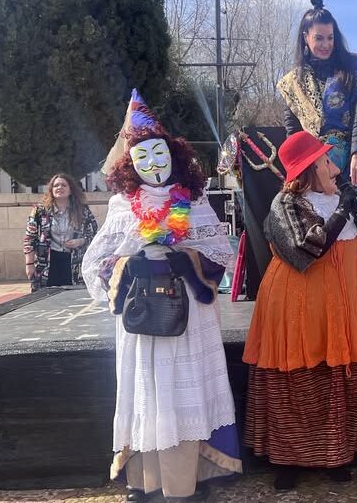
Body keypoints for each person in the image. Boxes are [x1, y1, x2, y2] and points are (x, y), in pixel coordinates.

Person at [82, 90, 241, 503]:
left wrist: (184, 259)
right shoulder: (121, 206)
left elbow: (220, 254)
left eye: (160, 153)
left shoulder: (196, 201)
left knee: (182, 399)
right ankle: (147, 481)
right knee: (148, 396)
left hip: (188, 318)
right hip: (142, 322)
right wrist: (129, 265)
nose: (154, 163)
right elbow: (96, 262)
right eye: (143, 157)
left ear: (173, 153)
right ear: (130, 163)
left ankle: (184, 484)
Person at [242, 131, 357, 490]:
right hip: (295, 306)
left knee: (336, 378)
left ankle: (335, 456)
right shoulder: (285, 204)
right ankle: (288, 460)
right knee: (294, 378)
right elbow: (310, 246)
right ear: (309, 170)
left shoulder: (341, 199)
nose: (334, 168)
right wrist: (345, 208)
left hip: (342, 305)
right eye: (326, 162)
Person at [278, 0, 357, 193]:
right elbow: (293, 131)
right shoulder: (293, 83)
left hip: (350, 163)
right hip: (314, 166)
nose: (326, 44)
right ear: (306, 37)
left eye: (330, 38)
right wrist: (302, 168)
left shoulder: (351, 70)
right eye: (319, 38)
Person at [23, 173, 98, 291]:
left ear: (70, 190)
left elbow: (94, 235)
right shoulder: (40, 211)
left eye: (64, 185)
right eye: (56, 185)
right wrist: (29, 264)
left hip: (73, 264)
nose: (59, 188)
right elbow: (29, 239)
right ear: (51, 190)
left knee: (72, 301)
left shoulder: (82, 210)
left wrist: (81, 241)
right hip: (47, 264)